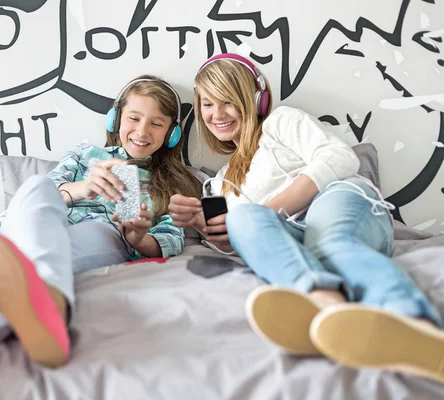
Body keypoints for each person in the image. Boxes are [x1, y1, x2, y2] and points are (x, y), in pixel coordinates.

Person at [0, 75, 201, 389]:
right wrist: (83, 188)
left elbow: (170, 239)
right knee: (35, 186)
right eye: (134, 118)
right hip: (39, 225)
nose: (142, 131)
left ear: (172, 134)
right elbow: (44, 195)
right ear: (115, 118)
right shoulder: (83, 156)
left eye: (156, 124)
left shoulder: (176, 183)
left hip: (100, 233)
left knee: (88, 234)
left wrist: (137, 238)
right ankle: (46, 303)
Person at [168, 53, 444, 383]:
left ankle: (419, 329)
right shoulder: (221, 181)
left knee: (330, 244)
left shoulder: (281, 123)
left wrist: (268, 211)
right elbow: (246, 244)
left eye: (228, 101)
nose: (217, 114)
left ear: (256, 99)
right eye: (208, 104)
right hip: (293, 234)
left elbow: (339, 157)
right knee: (243, 221)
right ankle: (326, 304)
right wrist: (206, 225)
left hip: (338, 200)